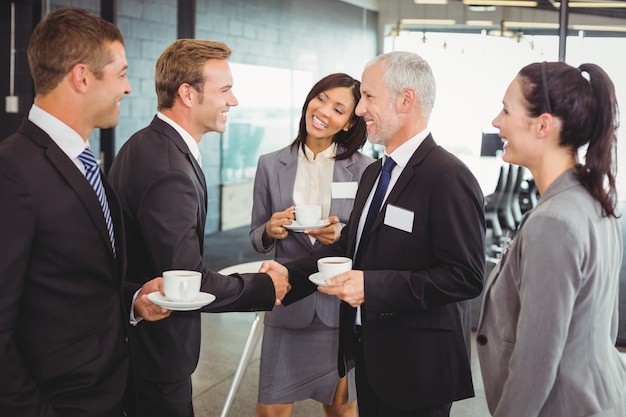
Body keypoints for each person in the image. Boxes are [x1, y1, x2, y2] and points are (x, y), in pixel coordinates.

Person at [261, 51, 486, 417]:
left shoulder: (447, 176)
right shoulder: (376, 172)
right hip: (373, 358)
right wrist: (292, 273)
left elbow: (465, 277)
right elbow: (353, 247)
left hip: (418, 368)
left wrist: (372, 286)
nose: (360, 109)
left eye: (369, 97)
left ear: (406, 100)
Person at [0, 7, 171, 417]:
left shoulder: (83, 159)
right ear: (81, 77)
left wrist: (132, 300)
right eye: (121, 74)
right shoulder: (12, 171)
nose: (128, 88)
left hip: (110, 390)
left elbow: (71, 283)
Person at [108, 39, 291, 417]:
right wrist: (264, 287)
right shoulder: (171, 169)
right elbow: (185, 282)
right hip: (157, 357)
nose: (233, 101)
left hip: (136, 351)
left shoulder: (143, 143)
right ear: (187, 94)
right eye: (225, 90)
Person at [476, 61, 626, 417]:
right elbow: (607, 326)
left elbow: (535, 362)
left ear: (543, 124)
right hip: (601, 396)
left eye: (506, 110)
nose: (496, 122)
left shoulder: (553, 222)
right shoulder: (593, 200)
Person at [250, 73, 373, 417]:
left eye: (338, 108)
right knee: (270, 409)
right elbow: (256, 236)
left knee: (341, 410)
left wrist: (341, 235)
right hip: (287, 305)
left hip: (338, 309)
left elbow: (369, 239)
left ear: (350, 122)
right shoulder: (270, 164)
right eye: (320, 98)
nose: (323, 111)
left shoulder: (366, 171)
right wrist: (270, 230)